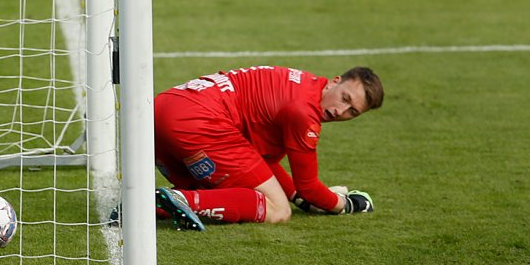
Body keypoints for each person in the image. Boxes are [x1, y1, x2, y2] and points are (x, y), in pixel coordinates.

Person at [152, 65, 384, 231]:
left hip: (159, 111)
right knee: (278, 210)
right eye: (344, 98)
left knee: (221, 194)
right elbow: (309, 187)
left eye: (352, 112)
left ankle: (145, 205)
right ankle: (177, 200)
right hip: (199, 123)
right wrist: (346, 204)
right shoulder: (304, 113)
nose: (340, 111)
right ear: (335, 81)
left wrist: (297, 196)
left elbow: (262, 162)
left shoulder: (303, 84)